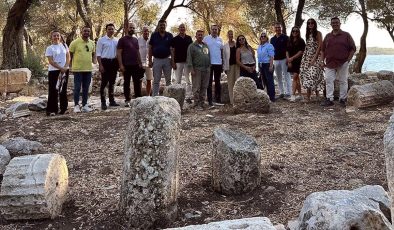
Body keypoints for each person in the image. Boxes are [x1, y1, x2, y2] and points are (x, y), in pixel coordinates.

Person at [321, 17, 356, 106]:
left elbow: (353, 48)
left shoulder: (346, 35)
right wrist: (322, 61)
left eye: (337, 22)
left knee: (343, 81)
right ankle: (329, 99)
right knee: (329, 80)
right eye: (333, 23)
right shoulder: (328, 36)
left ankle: (342, 99)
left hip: (343, 62)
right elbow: (323, 49)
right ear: (331, 24)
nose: (335, 24)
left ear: (340, 24)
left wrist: (348, 60)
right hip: (330, 62)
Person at [69, 26, 96, 113]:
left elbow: (93, 54)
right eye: (85, 31)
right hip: (77, 69)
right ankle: (76, 105)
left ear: (90, 33)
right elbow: (70, 55)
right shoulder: (75, 42)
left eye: (88, 31)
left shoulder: (92, 43)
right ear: (81, 32)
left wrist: (95, 63)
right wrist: (69, 66)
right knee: (77, 88)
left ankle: (84, 105)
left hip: (88, 69)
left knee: (86, 88)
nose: (86, 32)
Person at [117, 22, 143, 106]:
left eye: (133, 28)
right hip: (126, 65)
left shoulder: (135, 40)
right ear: (126, 28)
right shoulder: (122, 40)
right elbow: (119, 53)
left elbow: (137, 52)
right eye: (130, 27)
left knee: (137, 82)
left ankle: (139, 99)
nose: (132, 29)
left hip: (135, 65)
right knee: (127, 83)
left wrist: (140, 63)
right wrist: (121, 65)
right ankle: (127, 100)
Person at [45, 30, 70, 116]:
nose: (56, 37)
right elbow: (51, 61)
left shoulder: (64, 45)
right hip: (54, 71)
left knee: (63, 90)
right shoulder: (49, 48)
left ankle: (64, 109)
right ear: (51, 38)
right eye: (54, 36)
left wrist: (65, 67)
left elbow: (68, 57)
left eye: (58, 35)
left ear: (60, 37)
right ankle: (52, 110)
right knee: (53, 90)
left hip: (64, 70)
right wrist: (60, 68)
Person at [299, 18, 325, 102]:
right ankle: (308, 96)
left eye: (312, 23)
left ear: (315, 24)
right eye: (309, 23)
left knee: (314, 74)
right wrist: (305, 59)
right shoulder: (308, 34)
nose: (310, 24)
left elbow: (320, 46)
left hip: (315, 57)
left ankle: (317, 95)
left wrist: (315, 58)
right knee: (306, 75)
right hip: (307, 58)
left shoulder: (318, 33)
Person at [96, 23, 119, 110]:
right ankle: (103, 102)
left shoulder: (116, 40)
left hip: (114, 62)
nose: (111, 30)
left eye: (112, 29)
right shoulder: (101, 40)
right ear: (106, 30)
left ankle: (112, 101)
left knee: (112, 83)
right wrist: (100, 65)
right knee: (104, 83)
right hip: (105, 62)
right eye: (109, 29)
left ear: (114, 30)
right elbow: (98, 54)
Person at [149, 19, 174, 96]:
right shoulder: (154, 35)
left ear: (166, 26)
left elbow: (172, 49)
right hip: (157, 60)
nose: (162, 26)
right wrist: (150, 60)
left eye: (163, 25)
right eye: (160, 25)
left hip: (167, 60)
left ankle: (169, 97)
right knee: (156, 80)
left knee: (169, 81)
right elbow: (150, 48)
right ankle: (155, 97)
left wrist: (173, 61)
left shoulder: (170, 35)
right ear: (158, 26)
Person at [186, 29, 211, 110]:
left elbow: (208, 56)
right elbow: (189, 59)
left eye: (201, 35)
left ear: (203, 36)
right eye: (198, 35)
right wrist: (191, 69)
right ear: (196, 36)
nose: (200, 36)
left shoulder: (205, 45)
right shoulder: (192, 46)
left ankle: (202, 102)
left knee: (204, 87)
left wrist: (209, 67)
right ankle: (196, 104)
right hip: (197, 69)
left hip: (206, 69)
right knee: (196, 87)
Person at [170, 23, 193, 103]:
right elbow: (172, 51)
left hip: (187, 62)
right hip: (178, 62)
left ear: (185, 29)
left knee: (188, 81)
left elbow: (191, 51)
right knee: (178, 81)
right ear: (178, 29)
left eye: (183, 27)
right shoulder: (175, 39)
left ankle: (189, 97)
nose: (182, 29)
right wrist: (173, 62)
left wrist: (191, 62)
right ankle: (178, 97)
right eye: (181, 27)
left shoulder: (189, 38)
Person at [203, 24, 223, 106]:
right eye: (213, 29)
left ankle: (218, 99)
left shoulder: (220, 39)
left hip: (218, 63)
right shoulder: (206, 38)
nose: (214, 31)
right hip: (209, 63)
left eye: (216, 29)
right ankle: (210, 100)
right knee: (209, 82)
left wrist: (223, 62)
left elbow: (221, 51)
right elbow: (203, 50)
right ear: (210, 30)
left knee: (218, 82)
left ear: (217, 31)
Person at [271, 22, 291, 99]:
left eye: (279, 27)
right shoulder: (272, 39)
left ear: (281, 28)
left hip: (284, 59)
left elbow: (288, 49)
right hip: (276, 60)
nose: (278, 29)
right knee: (278, 77)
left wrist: (288, 59)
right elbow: (271, 51)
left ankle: (288, 93)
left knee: (286, 76)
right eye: (276, 27)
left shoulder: (286, 37)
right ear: (274, 29)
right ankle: (281, 92)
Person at [286, 26, 305, 102]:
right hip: (291, 61)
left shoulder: (301, 41)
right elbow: (287, 51)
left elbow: (301, 52)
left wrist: (292, 58)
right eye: (293, 31)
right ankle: (300, 95)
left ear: (299, 32)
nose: (295, 32)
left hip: (298, 61)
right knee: (297, 79)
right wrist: (289, 60)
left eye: (296, 31)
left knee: (294, 77)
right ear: (291, 32)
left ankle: (293, 95)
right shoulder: (289, 40)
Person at [257, 32, 275, 102]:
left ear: (267, 38)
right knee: (264, 81)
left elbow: (271, 56)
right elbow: (258, 57)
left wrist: (271, 66)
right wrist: (258, 66)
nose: (263, 37)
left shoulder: (269, 46)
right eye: (262, 36)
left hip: (267, 64)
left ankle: (272, 97)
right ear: (260, 38)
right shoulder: (259, 46)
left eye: (264, 36)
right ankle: (268, 96)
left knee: (270, 81)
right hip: (261, 65)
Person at [223, 30, 240, 105]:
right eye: (229, 34)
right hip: (229, 66)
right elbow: (224, 57)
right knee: (231, 84)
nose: (231, 35)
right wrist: (224, 68)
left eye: (232, 34)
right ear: (227, 35)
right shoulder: (225, 46)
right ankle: (232, 101)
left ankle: (238, 100)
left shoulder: (237, 44)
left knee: (238, 83)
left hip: (237, 66)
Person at [138, 26, 153, 96]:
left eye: (147, 31)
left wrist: (151, 61)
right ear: (142, 32)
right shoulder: (138, 40)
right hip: (140, 63)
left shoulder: (151, 40)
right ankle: (139, 95)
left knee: (149, 80)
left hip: (149, 63)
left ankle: (148, 96)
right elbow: (136, 52)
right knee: (139, 80)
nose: (146, 32)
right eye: (145, 31)